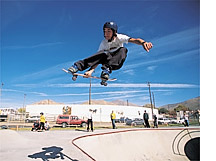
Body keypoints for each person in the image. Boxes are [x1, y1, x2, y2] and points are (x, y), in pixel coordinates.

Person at [67, 21, 153, 81]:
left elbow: (134, 40)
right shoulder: (103, 43)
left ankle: (107, 70)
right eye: (104, 31)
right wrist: (91, 71)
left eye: (108, 31)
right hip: (106, 59)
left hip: (115, 61)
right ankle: (77, 67)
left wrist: (143, 43)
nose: (106, 34)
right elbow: (96, 59)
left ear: (114, 32)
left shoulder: (120, 37)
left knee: (123, 50)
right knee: (101, 54)